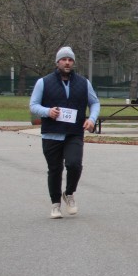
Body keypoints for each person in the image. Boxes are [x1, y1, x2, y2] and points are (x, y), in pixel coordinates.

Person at [29, 46, 101, 219]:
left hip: (74, 132)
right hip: (51, 133)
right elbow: (33, 105)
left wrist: (91, 119)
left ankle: (69, 193)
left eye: (70, 60)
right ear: (57, 62)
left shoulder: (83, 83)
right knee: (55, 169)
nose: (67, 63)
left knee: (74, 164)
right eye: (64, 59)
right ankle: (55, 204)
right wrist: (47, 112)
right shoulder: (43, 82)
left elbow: (95, 103)